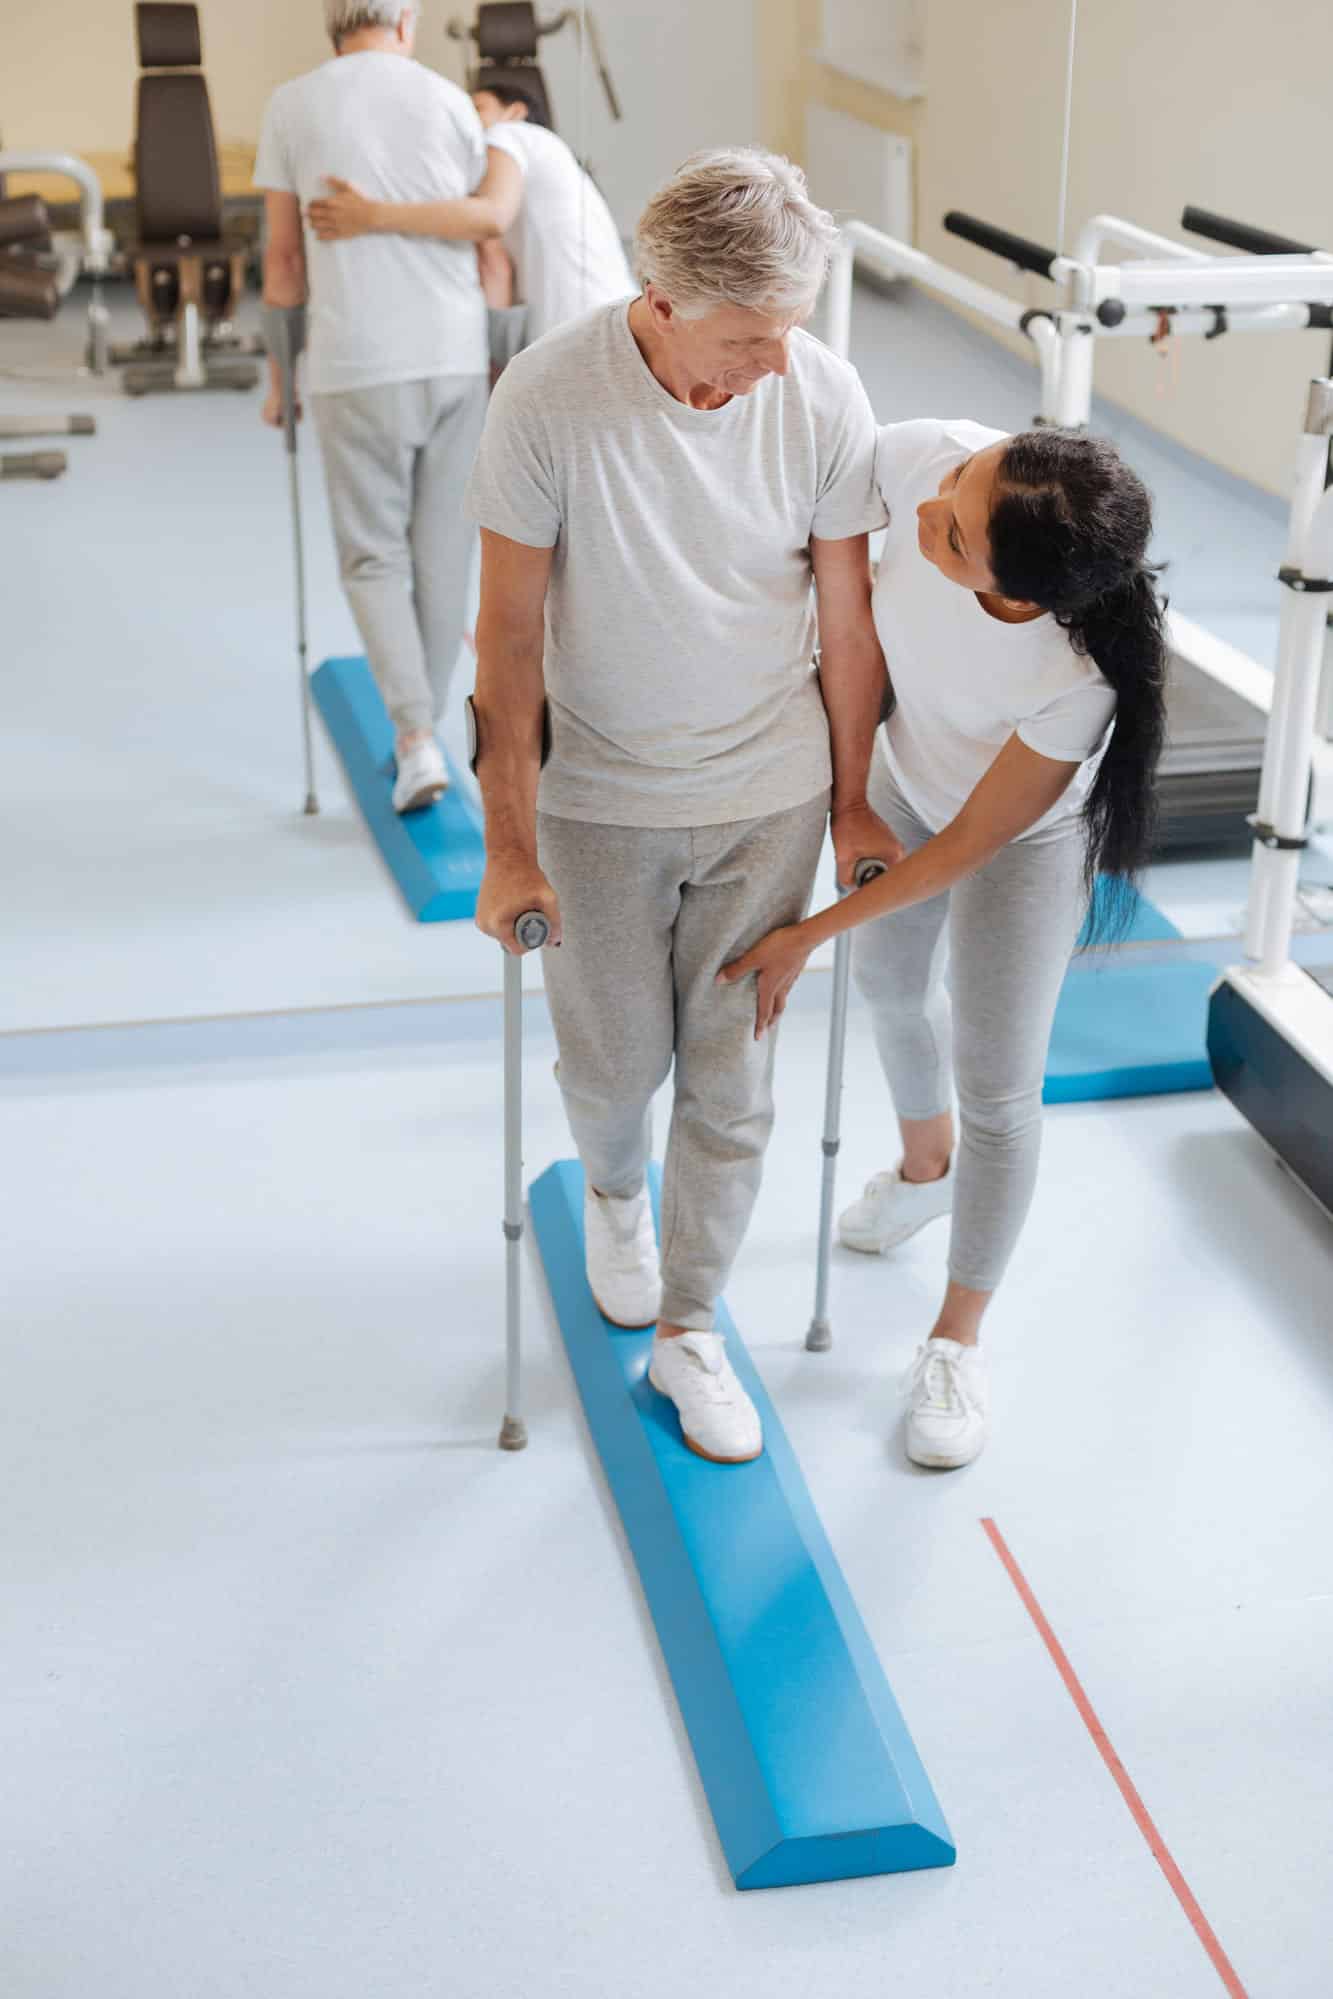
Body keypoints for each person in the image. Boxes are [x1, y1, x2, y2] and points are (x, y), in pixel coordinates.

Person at [466, 150, 897, 1466]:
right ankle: (611, 1185)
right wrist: (507, 844)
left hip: (761, 797)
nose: (774, 362)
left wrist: (853, 805)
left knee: (733, 1079)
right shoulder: (547, 400)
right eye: (745, 337)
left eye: (790, 331)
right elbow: (509, 635)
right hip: (598, 801)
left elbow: (845, 615)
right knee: (614, 1070)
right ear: (657, 298)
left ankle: (695, 1326)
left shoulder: (816, 390)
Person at [720, 421, 1168, 1472]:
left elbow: (971, 845)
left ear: (1029, 593)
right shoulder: (932, 455)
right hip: (903, 777)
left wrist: (803, 937)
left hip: (1011, 841)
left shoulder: (1076, 675)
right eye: (959, 485)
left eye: (956, 536)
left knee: (1000, 1084)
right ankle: (926, 1172)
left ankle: (955, 1339)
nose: (929, 512)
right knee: (885, 984)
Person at [255, 0, 490, 814]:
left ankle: (415, 734)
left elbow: (283, 261)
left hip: (356, 363)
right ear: (406, 21)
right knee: (442, 557)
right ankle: (420, 728)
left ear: (333, 21)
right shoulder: (448, 101)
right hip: (456, 355)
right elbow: (480, 231)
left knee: (373, 559)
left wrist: (281, 378)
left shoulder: (294, 101)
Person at [306, 80, 634, 350]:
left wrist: (371, 215)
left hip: (587, 327)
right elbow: (496, 263)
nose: (465, 120)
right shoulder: (545, 157)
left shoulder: (510, 134)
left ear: (515, 112)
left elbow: (490, 219)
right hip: (603, 321)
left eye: (476, 109)